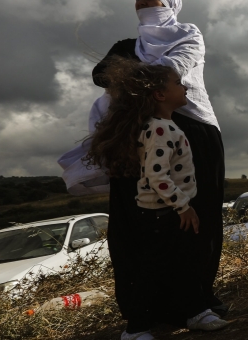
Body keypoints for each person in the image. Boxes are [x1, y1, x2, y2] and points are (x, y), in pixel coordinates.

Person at [93, 0, 227, 319]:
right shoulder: (126, 45)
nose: (141, 1)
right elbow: (101, 75)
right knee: (139, 222)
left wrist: (132, 76)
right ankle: (144, 311)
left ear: (169, 3)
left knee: (197, 218)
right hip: (134, 135)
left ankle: (195, 302)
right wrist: (142, 75)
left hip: (194, 130)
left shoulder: (189, 34)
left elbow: (172, 68)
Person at [85, 58, 228, 339]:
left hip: (167, 211)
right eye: (177, 83)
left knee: (184, 262)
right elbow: (156, 177)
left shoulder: (162, 125)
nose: (185, 86)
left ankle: (194, 310)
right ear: (160, 95)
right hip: (162, 213)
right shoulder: (161, 129)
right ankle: (136, 329)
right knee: (154, 269)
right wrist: (183, 207)